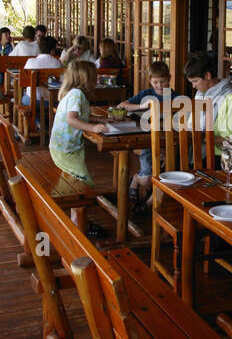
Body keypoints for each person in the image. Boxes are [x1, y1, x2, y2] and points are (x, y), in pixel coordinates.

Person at [50, 61, 107, 238]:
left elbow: (80, 115)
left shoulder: (73, 93)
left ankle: (74, 219)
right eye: (95, 76)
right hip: (66, 150)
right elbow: (71, 119)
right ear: (86, 78)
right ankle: (77, 225)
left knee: (74, 185)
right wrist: (93, 129)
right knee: (84, 185)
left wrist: (101, 121)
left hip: (65, 148)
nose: (97, 79)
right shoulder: (77, 95)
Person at [117, 60, 171, 214]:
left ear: (170, 78)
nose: (159, 86)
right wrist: (142, 106)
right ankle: (136, 179)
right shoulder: (146, 95)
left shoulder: (175, 97)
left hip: (169, 144)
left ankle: (147, 206)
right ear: (150, 81)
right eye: (155, 82)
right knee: (147, 180)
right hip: (148, 142)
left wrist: (166, 151)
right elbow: (122, 106)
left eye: (163, 81)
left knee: (166, 177)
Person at [185, 51, 232, 162]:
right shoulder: (201, 94)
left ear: (208, 75)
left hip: (226, 157)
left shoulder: (230, 99)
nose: (193, 86)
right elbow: (191, 126)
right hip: (205, 151)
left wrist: (202, 138)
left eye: (195, 81)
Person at [22, 37, 63, 109]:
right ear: (52, 51)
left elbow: (23, 81)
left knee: (23, 99)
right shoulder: (57, 63)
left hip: (32, 100)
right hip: (51, 101)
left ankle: (36, 119)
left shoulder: (30, 62)